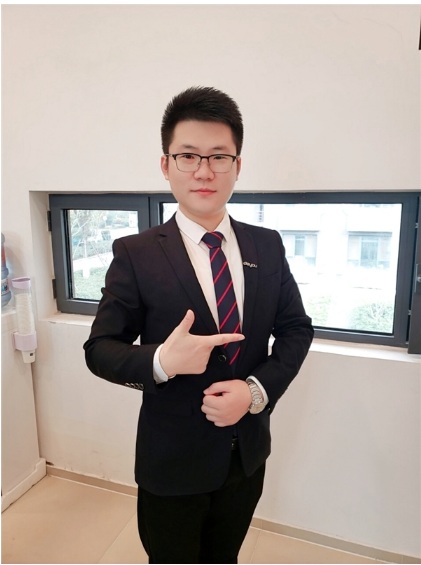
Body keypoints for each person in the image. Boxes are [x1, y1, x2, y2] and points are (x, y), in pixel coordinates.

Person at [84, 86, 314, 564]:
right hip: (172, 463)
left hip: (246, 456)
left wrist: (254, 392)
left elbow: (296, 329)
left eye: (219, 157)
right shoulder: (136, 253)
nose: (204, 171)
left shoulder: (267, 245)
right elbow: (100, 348)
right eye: (188, 156)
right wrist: (162, 361)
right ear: (166, 164)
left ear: (237, 165)